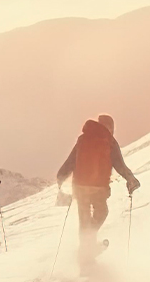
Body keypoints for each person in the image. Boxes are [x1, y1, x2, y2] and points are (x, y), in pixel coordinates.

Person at [56, 114, 139, 272]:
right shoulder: (110, 142)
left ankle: (86, 249)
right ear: (110, 127)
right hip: (98, 188)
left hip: (80, 187)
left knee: (84, 219)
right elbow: (120, 165)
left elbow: (70, 162)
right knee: (101, 213)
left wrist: (60, 178)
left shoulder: (83, 139)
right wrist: (130, 179)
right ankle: (86, 252)